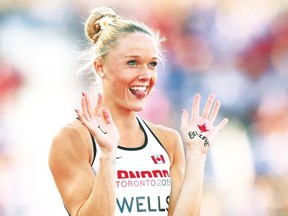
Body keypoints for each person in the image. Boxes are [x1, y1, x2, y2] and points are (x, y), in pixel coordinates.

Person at [48, 7, 228, 216]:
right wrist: (107, 156)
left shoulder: (168, 141)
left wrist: (197, 154)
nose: (146, 75)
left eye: (152, 64)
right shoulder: (72, 139)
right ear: (100, 67)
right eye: (132, 63)